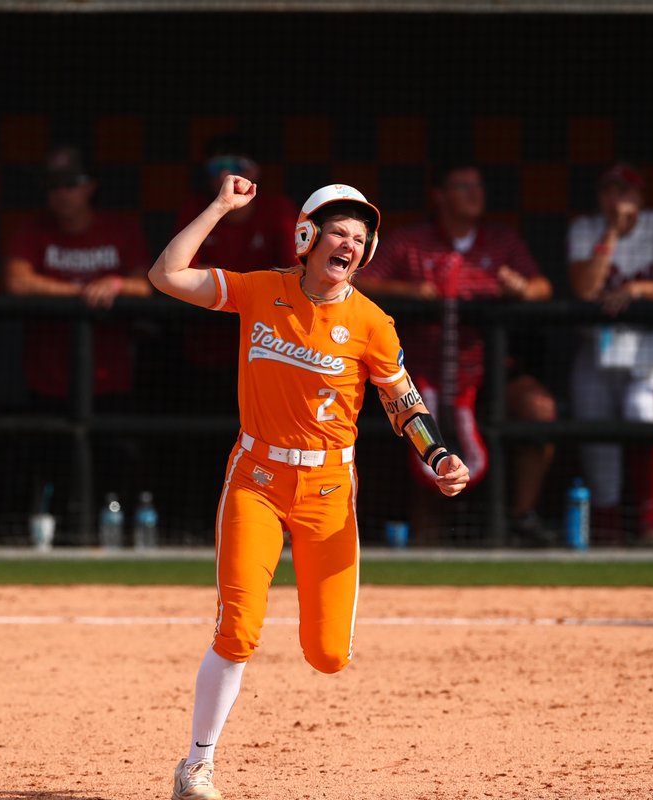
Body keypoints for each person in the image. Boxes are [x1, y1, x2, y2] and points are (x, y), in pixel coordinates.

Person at [149, 176, 471, 799]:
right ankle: (196, 766)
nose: (349, 244)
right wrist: (219, 206)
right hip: (257, 480)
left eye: (360, 237)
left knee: (328, 654)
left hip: (327, 489)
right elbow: (167, 275)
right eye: (338, 232)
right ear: (306, 236)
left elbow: (403, 401)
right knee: (237, 629)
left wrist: (438, 454)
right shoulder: (259, 290)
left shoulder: (372, 322)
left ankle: (215, 746)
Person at [360, 161, 557, 546]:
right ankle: (419, 539)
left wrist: (522, 288)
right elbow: (359, 280)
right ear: (440, 195)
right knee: (415, 439)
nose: (474, 193)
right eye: (463, 185)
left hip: (487, 373)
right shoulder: (409, 241)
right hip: (419, 375)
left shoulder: (502, 241)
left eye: (478, 185)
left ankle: (521, 517)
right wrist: (409, 292)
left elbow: (543, 287)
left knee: (539, 409)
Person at [567, 163, 653, 547]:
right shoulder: (585, 229)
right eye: (609, 190)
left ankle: (648, 521)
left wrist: (639, 289)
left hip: (648, 351)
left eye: (626, 191)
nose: (617, 199)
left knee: (642, 414)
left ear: (640, 197)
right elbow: (586, 289)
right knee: (597, 435)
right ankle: (607, 528)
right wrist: (611, 234)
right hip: (598, 349)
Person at [3, 144, 151, 407]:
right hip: (47, 378)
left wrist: (116, 284)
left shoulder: (122, 230)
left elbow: (146, 286)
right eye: (53, 184)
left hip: (109, 376)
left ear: (91, 186)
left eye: (70, 183)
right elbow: (17, 281)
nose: (61, 192)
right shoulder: (32, 230)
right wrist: (84, 292)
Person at [173, 133, 298, 405]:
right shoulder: (195, 208)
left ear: (255, 171)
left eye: (237, 166)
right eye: (217, 167)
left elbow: (294, 274)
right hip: (206, 346)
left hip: (266, 346)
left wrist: (220, 278)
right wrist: (256, 279)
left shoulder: (279, 210)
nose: (226, 175)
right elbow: (179, 273)